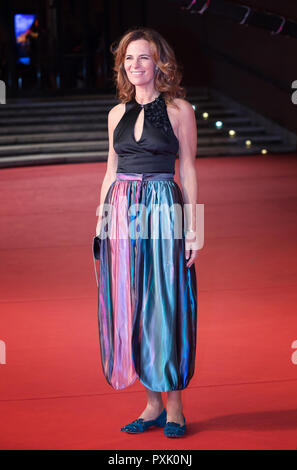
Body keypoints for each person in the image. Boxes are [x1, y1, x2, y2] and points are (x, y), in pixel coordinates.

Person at [95, 27, 199, 438]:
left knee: (166, 303)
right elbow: (109, 170)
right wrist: (100, 222)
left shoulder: (179, 110)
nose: (135, 65)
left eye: (143, 57)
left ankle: (174, 407)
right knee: (132, 304)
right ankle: (151, 403)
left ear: (159, 63)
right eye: (128, 59)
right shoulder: (115, 114)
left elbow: (188, 168)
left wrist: (195, 229)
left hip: (163, 208)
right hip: (121, 211)